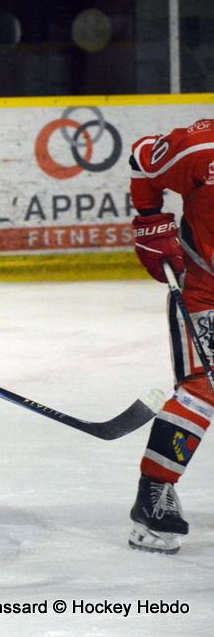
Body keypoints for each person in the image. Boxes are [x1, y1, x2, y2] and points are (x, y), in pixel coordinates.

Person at [126, 118, 214, 554]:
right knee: (202, 389)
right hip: (206, 291)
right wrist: (150, 222)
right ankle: (153, 498)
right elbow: (143, 159)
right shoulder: (200, 149)